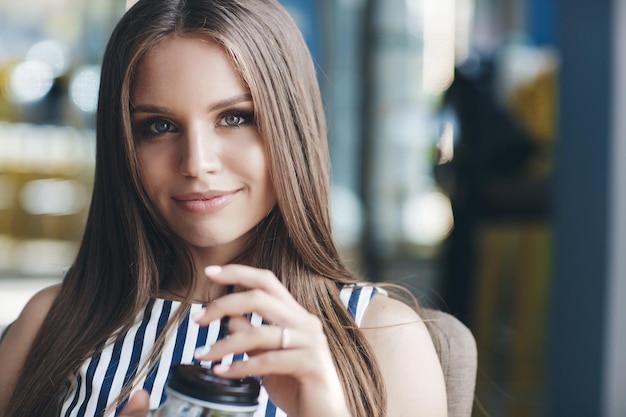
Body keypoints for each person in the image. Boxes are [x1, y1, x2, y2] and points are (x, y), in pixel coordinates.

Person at [0, 0, 447, 416]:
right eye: (158, 126)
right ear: (122, 145)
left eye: (235, 117)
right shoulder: (48, 325)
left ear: (290, 126)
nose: (197, 163)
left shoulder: (382, 339)